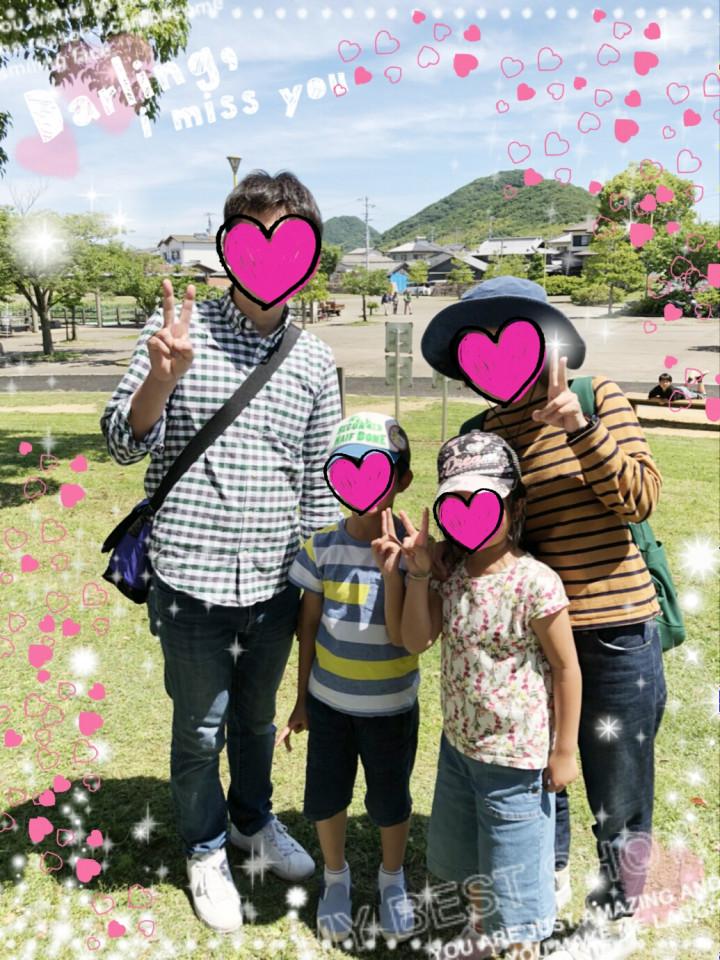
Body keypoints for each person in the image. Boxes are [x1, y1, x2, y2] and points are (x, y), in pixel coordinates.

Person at [100, 170, 343, 934]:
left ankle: (252, 821)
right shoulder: (180, 332)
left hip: (274, 584)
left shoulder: (314, 360)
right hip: (190, 580)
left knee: (256, 722)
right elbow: (120, 441)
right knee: (200, 728)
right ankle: (205, 849)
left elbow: (320, 487)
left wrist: (326, 580)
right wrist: (160, 380)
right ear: (230, 246)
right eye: (255, 238)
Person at [421, 277, 667, 959]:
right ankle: (542, 880)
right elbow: (483, 536)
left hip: (614, 628)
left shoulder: (596, 396)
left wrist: (579, 429)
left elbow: (641, 498)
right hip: (525, 632)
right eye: (477, 346)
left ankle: (616, 907)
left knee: (618, 781)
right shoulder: (482, 434)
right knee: (536, 770)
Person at [397, 432, 581, 960]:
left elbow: (566, 667)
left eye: (483, 502)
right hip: (458, 750)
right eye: (454, 503)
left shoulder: (536, 583)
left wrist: (564, 750)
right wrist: (419, 576)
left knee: (514, 868)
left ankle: (520, 944)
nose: (468, 516)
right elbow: (415, 640)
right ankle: (480, 929)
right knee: (472, 857)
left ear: (515, 505)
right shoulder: (451, 575)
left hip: (516, 762)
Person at [278, 412, 419, 945]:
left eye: (377, 471)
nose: (360, 486)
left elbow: (414, 634)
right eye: (346, 471)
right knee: (327, 796)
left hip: (392, 707)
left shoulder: (414, 553)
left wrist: (407, 568)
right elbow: (308, 629)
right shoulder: (320, 548)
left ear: (402, 479)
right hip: (329, 705)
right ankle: (335, 877)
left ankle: (392, 879)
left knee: (390, 801)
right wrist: (300, 700)